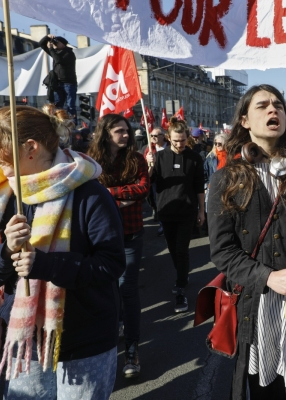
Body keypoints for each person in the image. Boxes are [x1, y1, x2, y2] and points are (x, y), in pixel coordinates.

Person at [207, 84, 286, 400]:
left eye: (278, 104)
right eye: (263, 105)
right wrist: (267, 277)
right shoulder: (226, 179)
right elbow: (222, 251)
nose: (272, 109)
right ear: (245, 121)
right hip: (258, 306)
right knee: (267, 392)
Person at [0, 106, 125, 398]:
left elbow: (111, 264)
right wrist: (6, 252)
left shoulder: (90, 194)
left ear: (30, 147)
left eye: (2, 154)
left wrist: (47, 265)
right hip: (25, 340)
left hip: (83, 339)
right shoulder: (4, 195)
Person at [87, 114, 149, 379]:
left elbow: (143, 188)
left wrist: (108, 196)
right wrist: (117, 197)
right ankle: (107, 348)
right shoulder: (92, 161)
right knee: (106, 290)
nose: (125, 135)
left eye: (127, 131)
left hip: (131, 234)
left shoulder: (136, 159)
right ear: (105, 133)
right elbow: (89, 191)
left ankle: (132, 349)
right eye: (119, 131)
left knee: (128, 289)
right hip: (100, 238)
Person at [146, 117, 205, 313]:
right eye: (176, 140)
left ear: (188, 137)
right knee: (173, 249)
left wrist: (201, 210)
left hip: (187, 211)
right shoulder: (160, 157)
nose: (180, 144)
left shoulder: (195, 158)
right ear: (169, 138)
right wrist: (149, 165)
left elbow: (199, 187)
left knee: (181, 249)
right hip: (166, 210)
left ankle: (180, 285)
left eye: (183, 140)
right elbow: (148, 183)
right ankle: (183, 273)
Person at [39, 35, 77, 122]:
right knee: (57, 104)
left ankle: (73, 123)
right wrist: (47, 38)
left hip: (69, 83)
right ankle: (59, 121)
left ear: (63, 44)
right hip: (58, 83)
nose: (55, 45)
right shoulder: (55, 52)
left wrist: (51, 49)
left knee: (70, 104)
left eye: (57, 43)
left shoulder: (69, 53)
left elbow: (58, 60)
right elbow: (41, 44)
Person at [142, 126, 167, 234]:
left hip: (169, 179)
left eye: (156, 135)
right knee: (159, 203)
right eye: (151, 135)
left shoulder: (170, 147)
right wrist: (148, 161)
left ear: (163, 136)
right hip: (155, 180)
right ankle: (162, 225)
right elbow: (144, 167)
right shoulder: (148, 149)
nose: (153, 137)